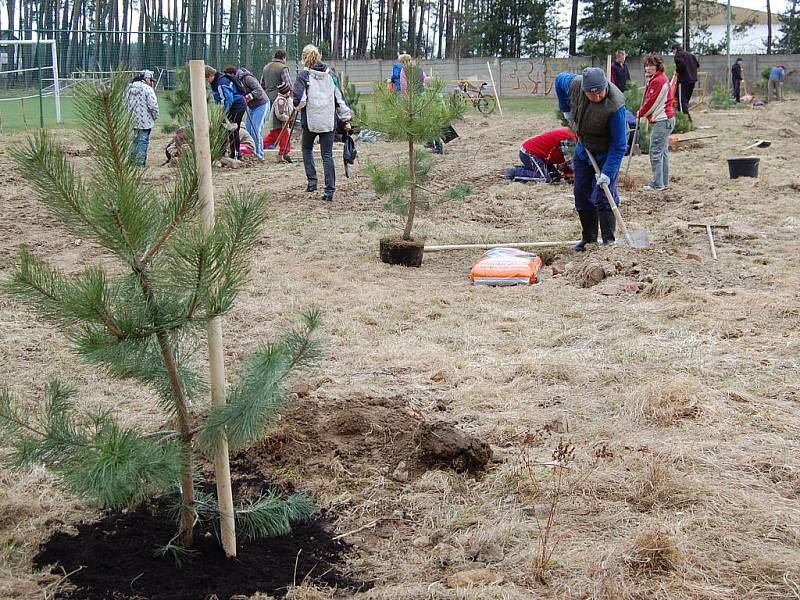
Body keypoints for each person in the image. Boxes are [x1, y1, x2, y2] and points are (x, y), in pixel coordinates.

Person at [556, 67, 627, 250]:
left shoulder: (615, 106)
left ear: (605, 86)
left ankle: (609, 241)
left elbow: (619, 145)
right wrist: (566, 110)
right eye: (591, 94)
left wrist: (608, 173)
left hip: (606, 153)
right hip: (584, 150)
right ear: (584, 90)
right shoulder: (576, 84)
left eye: (599, 93)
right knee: (581, 193)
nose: (596, 97)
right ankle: (589, 239)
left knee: (604, 195)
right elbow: (558, 80)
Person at [292, 44, 352, 202]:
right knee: (327, 155)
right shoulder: (331, 75)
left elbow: (299, 101)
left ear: (304, 58)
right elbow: (340, 98)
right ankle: (329, 190)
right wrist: (346, 119)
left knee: (306, 148)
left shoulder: (303, 76)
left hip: (310, 121)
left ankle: (312, 182)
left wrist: (297, 106)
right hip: (328, 121)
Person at [637, 54, 675, 192]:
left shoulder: (658, 81)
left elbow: (652, 102)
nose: (648, 68)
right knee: (663, 152)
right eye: (646, 65)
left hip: (662, 120)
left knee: (655, 152)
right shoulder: (656, 79)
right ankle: (663, 182)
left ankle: (657, 183)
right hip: (666, 119)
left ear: (657, 66)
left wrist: (640, 113)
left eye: (651, 65)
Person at [505, 127, 577, 183]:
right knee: (543, 177)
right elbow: (573, 163)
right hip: (530, 152)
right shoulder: (569, 138)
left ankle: (529, 168)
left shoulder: (572, 134)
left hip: (543, 156)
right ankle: (515, 172)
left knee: (554, 177)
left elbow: (566, 164)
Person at [226, 65, 268, 160]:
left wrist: (248, 97)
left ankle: (259, 154)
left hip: (261, 104)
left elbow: (259, 91)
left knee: (256, 129)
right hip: (250, 106)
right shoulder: (235, 83)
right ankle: (252, 153)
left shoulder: (247, 78)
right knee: (249, 130)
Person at [205, 65, 247, 160]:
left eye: (207, 79)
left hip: (237, 106)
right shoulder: (216, 82)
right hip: (230, 106)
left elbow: (228, 99)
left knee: (232, 130)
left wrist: (223, 113)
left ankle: (236, 155)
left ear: (211, 75)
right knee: (222, 129)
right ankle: (222, 153)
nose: (207, 82)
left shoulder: (221, 83)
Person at [261, 50, 293, 160]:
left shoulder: (266, 67)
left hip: (267, 99)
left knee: (275, 128)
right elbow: (288, 84)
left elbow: (262, 85)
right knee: (281, 127)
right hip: (280, 99)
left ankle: (262, 146)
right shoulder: (283, 68)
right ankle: (284, 151)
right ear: (283, 58)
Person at [124, 69, 159, 166]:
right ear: (146, 78)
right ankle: (140, 163)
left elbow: (124, 102)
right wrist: (155, 116)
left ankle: (131, 161)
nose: (151, 83)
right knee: (143, 141)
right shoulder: (147, 89)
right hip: (146, 120)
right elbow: (153, 105)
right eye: (151, 80)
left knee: (135, 140)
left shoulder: (129, 88)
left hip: (133, 119)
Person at [263, 82, 294, 161]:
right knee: (285, 139)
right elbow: (280, 115)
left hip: (277, 125)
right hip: (279, 125)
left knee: (270, 139)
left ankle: (258, 147)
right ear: (286, 92)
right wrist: (288, 118)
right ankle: (283, 154)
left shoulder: (285, 99)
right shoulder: (281, 101)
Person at [671, 45, 700, 119]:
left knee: (681, 100)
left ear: (675, 49)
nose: (673, 53)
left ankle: (686, 119)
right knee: (686, 100)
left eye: (673, 51)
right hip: (692, 80)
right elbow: (697, 65)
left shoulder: (678, 55)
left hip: (683, 81)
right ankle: (684, 117)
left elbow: (682, 64)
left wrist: (677, 71)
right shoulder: (691, 55)